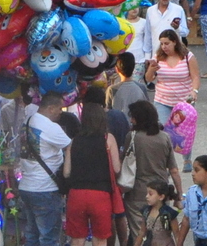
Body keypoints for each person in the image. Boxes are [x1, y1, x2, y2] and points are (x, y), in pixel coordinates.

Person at [125, 100, 185, 245]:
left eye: (133, 117)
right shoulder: (164, 137)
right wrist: (178, 195)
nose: (131, 120)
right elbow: (174, 170)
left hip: (137, 192)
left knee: (139, 233)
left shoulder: (132, 137)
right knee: (163, 233)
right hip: (161, 193)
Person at [63, 101, 122, 246]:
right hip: (100, 195)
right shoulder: (108, 139)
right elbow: (116, 169)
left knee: (77, 238)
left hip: (76, 195)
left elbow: (66, 173)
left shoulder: (74, 141)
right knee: (100, 238)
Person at [17, 92, 72, 246]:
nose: (61, 112)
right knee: (48, 238)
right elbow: (71, 147)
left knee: (32, 235)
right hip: (45, 189)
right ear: (50, 108)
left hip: (27, 187)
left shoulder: (27, 122)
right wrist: (67, 172)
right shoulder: (50, 127)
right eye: (59, 108)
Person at [146, 29, 201, 124]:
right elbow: (149, 79)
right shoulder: (158, 57)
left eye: (167, 43)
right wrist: (151, 69)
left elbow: (195, 77)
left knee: (181, 133)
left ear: (175, 42)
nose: (164, 47)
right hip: (162, 101)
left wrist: (194, 91)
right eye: (161, 44)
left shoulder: (188, 56)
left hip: (184, 101)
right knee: (164, 131)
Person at [136, 0, 190, 65]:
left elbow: (185, 32)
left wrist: (177, 28)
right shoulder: (150, 11)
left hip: (174, 55)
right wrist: (147, 57)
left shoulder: (178, 9)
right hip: (157, 55)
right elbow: (148, 35)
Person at [138, 181, 181, 246]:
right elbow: (142, 232)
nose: (146, 196)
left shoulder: (168, 213)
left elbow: (176, 235)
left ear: (161, 197)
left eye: (150, 194)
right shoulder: (146, 211)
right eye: (147, 193)